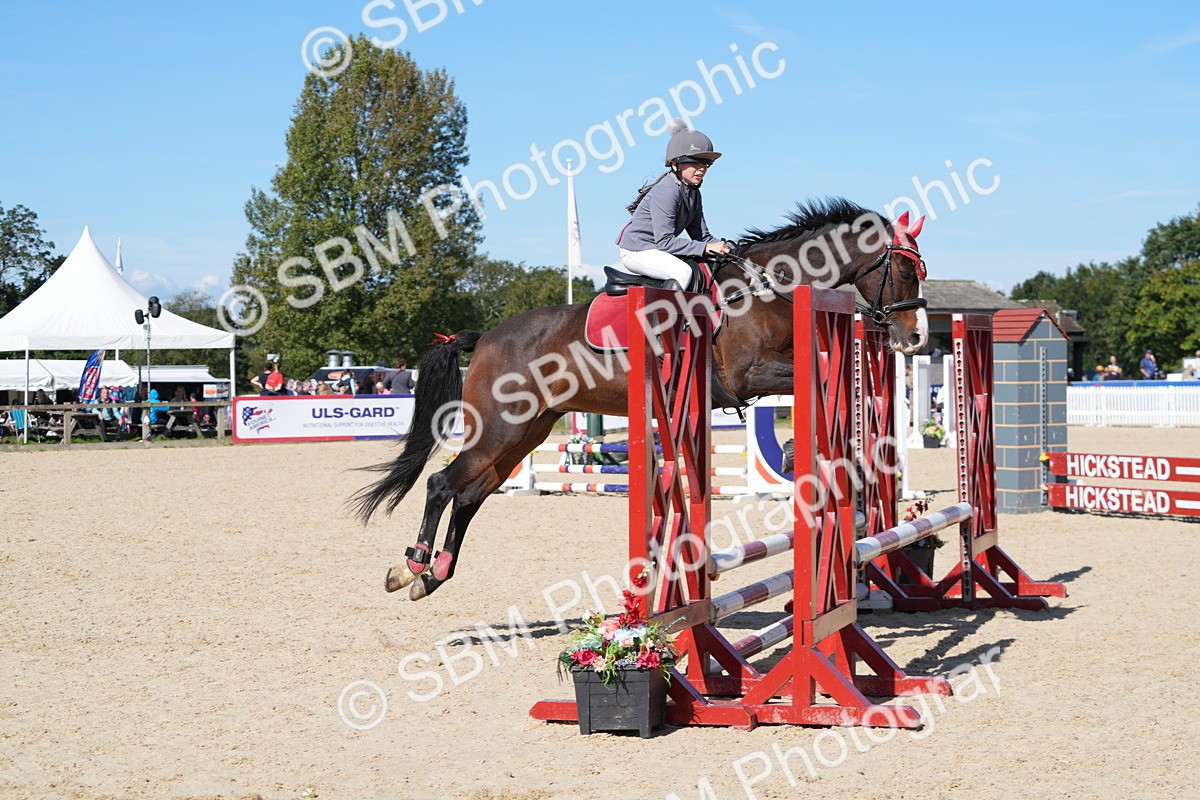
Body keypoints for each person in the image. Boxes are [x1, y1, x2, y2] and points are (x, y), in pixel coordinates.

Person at [614, 122, 730, 291]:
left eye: (706, 164)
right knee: (682, 271)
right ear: (675, 164)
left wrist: (731, 249)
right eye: (695, 163)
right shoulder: (667, 191)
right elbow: (665, 242)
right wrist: (705, 248)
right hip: (636, 251)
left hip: (656, 249)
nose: (702, 169)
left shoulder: (694, 193)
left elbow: (702, 237)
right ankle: (664, 310)